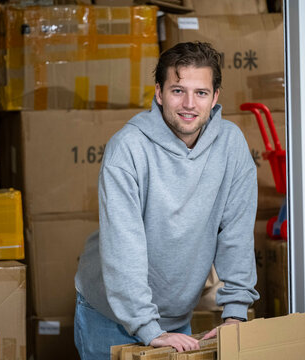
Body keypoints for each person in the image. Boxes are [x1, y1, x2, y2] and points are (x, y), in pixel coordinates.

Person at [74, 41, 259, 359]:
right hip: (111, 315)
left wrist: (235, 313)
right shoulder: (128, 148)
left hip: (174, 320)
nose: (189, 103)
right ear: (159, 93)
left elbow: (237, 234)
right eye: (178, 90)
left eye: (200, 92)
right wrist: (148, 328)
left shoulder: (230, 145)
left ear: (215, 97)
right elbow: (123, 247)